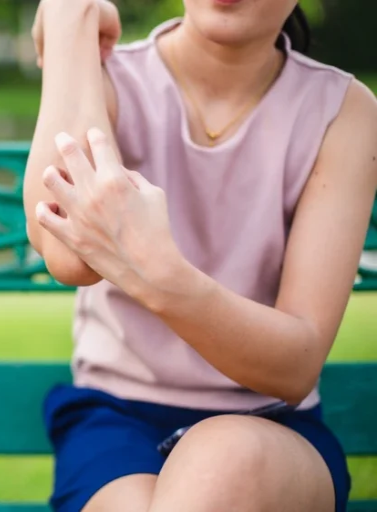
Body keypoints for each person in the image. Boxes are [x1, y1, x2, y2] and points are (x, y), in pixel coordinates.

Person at [22, 0, 377, 511]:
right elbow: (65, 251)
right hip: (118, 422)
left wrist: (159, 274)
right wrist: (65, 20)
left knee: (224, 460)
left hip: (270, 431)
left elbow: (293, 369)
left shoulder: (341, 110)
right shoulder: (112, 80)